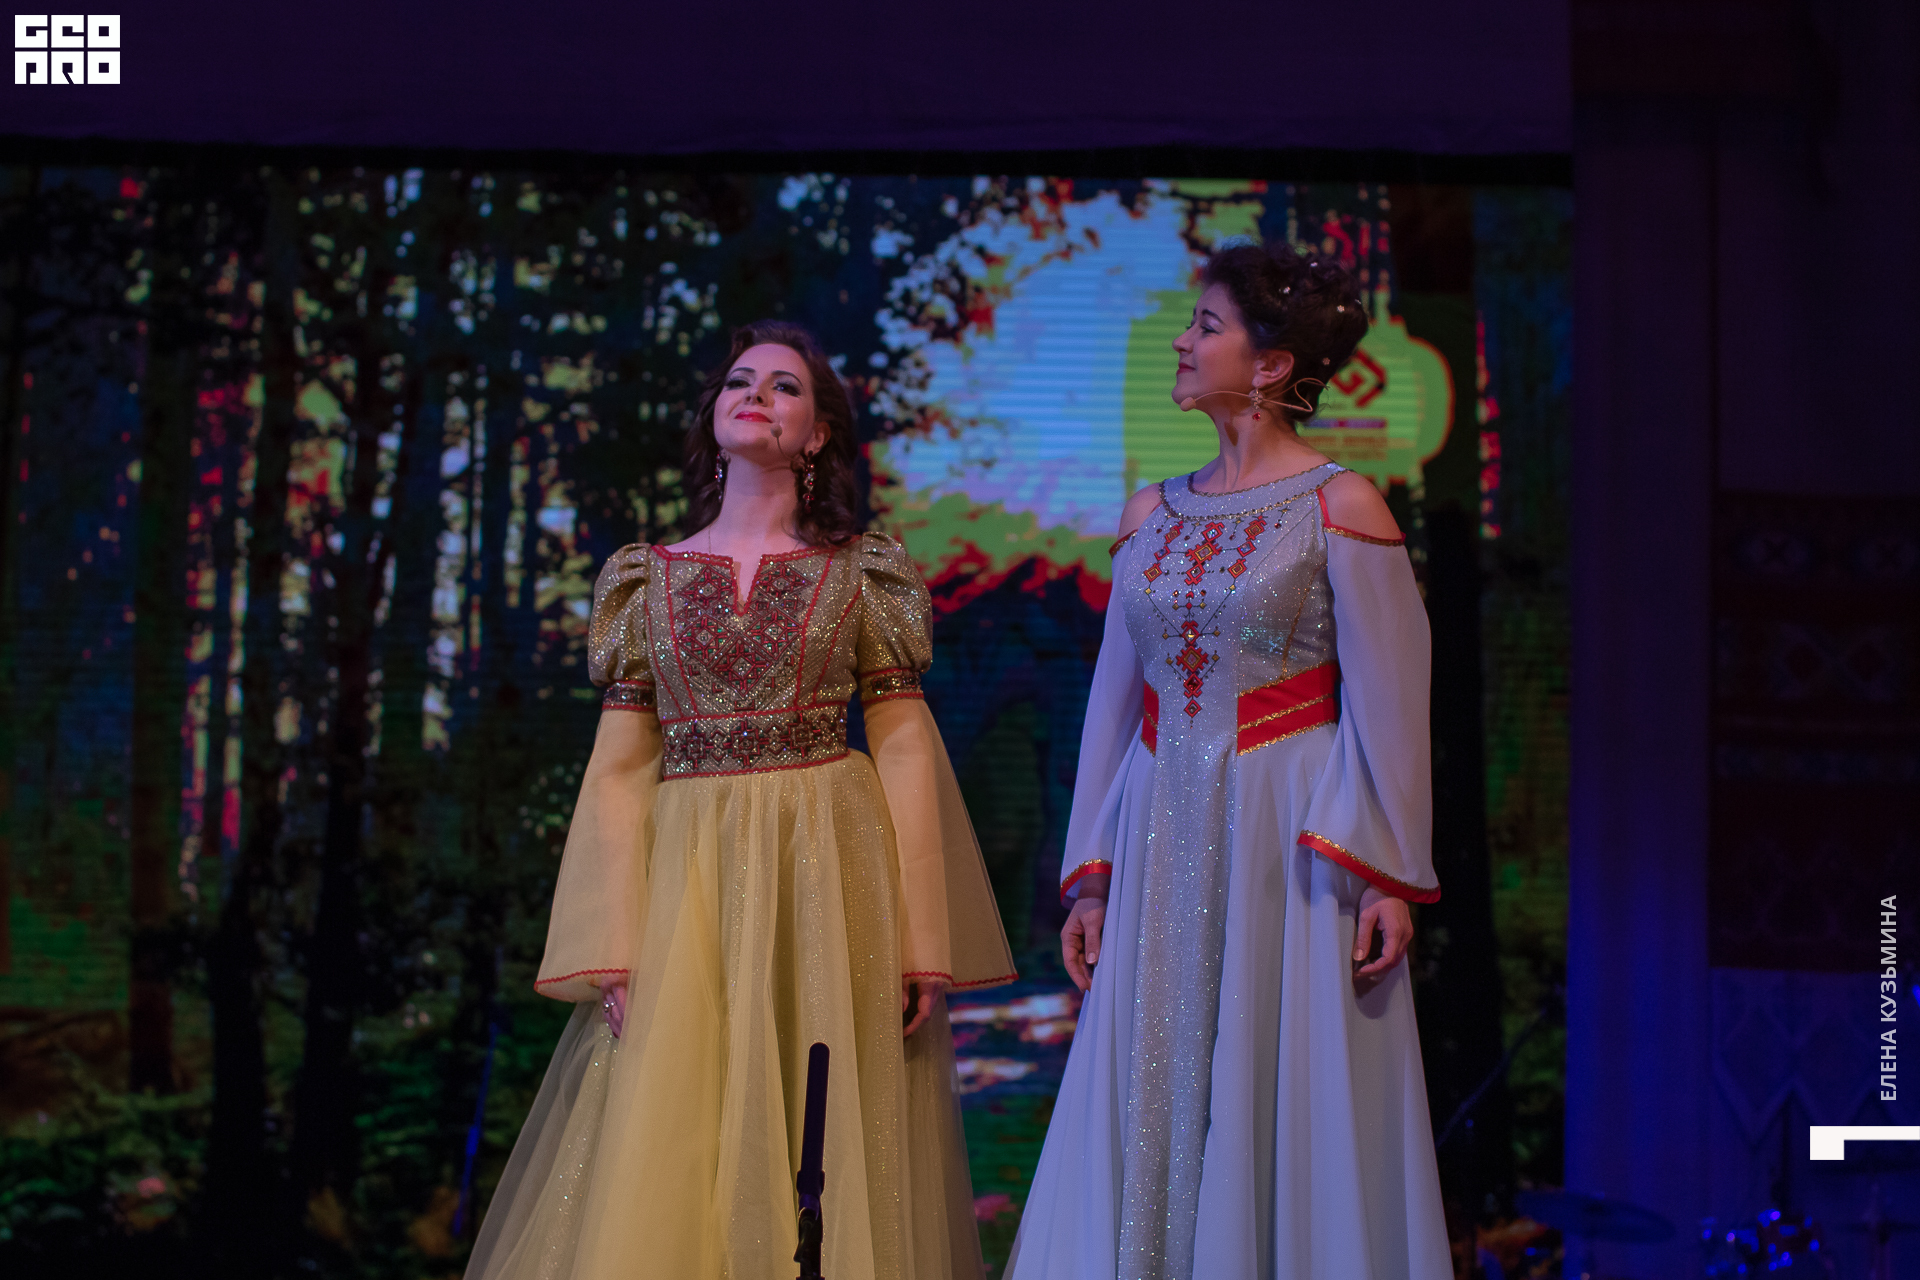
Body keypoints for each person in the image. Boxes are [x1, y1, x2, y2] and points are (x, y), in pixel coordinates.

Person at [467, 320, 1016, 1280]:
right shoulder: (647, 580)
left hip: (830, 870)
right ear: (713, 416)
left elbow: (904, 749)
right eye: (739, 381)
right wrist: (610, 942)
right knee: (680, 1128)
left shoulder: (861, 573)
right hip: (691, 880)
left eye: (784, 386)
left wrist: (922, 938)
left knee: (824, 1128)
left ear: (818, 434)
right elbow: (619, 767)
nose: (756, 394)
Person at [1005, 244, 1451, 1280]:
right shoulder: (1149, 513)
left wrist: (1387, 871)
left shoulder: (1341, 504)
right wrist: (1092, 874)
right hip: (1158, 822)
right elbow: (1114, 703)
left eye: (1206, 325)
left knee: (1274, 1074)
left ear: (1270, 363)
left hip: (1284, 823)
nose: (1182, 340)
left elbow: (1391, 696)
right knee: (1147, 1073)